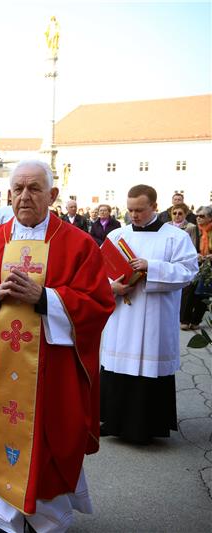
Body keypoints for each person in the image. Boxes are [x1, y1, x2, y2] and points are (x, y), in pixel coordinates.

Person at [0, 160, 116, 532]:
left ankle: (47, 521)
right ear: (9, 194)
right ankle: (4, 520)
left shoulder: (79, 244)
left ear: (52, 195)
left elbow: (99, 302)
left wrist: (46, 299)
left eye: (34, 188)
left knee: (48, 445)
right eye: (18, 189)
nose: (25, 196)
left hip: (50, 376)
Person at [100, 184, 198, 444]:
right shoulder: (117, 236)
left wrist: (150, 267)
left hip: (156, 316)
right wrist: (113, 286)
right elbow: (101, 271)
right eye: (131, 210)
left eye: (140, 210)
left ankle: (147, 427)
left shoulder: (175, 237)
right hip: (123, 314)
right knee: (118, 368)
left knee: (149, 370)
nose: (135, 215)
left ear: (155, 207)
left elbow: (188, 272)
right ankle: (113, 423)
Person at [181, 205, 212, 330]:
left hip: (209, 267)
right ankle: (184, 320)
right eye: (197, 216)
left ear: (210, 218)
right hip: (196, 263)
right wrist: (196, 255)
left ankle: (195, 321)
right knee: (188, 291)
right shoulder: (194, 229)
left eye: (202, 216)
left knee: (203, 293)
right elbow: (188, 247)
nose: (198, 218)